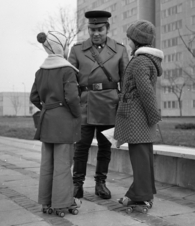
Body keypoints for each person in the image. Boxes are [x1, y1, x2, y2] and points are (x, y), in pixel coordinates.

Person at [68, 10, 129, 199]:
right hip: (85, 105)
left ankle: (100, 183)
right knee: (81, 146)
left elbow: (126, 81)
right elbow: (70, 80)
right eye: (92, 29)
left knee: (104, 147)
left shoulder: (119, 49)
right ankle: (76, 184)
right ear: (88, 28)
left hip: (109, 104)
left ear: (107, 28)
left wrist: (122, 103)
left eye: (100, 29)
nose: (96, 33)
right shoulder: (77, 50)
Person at [30, 31, 82, 213]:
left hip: (47, 120)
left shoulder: (40, 71)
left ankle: (46, 202)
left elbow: (34, 97)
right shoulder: (67, 70)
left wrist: (48, 107)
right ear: (61, 47)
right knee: (62, 164)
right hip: (64, 122)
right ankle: (62, 203)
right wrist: (76, 115)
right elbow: (73, 98)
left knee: (47, 163)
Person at [114, 20, 164, 208]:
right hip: (140, 118)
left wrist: (153, 118)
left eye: (129, 40)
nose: (128, 43)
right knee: (143, 158)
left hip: (138, 119)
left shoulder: (140, 61)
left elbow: (146, 92)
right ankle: (141, 193)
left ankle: (142, 195)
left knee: (140, 159)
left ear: (137, 40)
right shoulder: (145, 60)